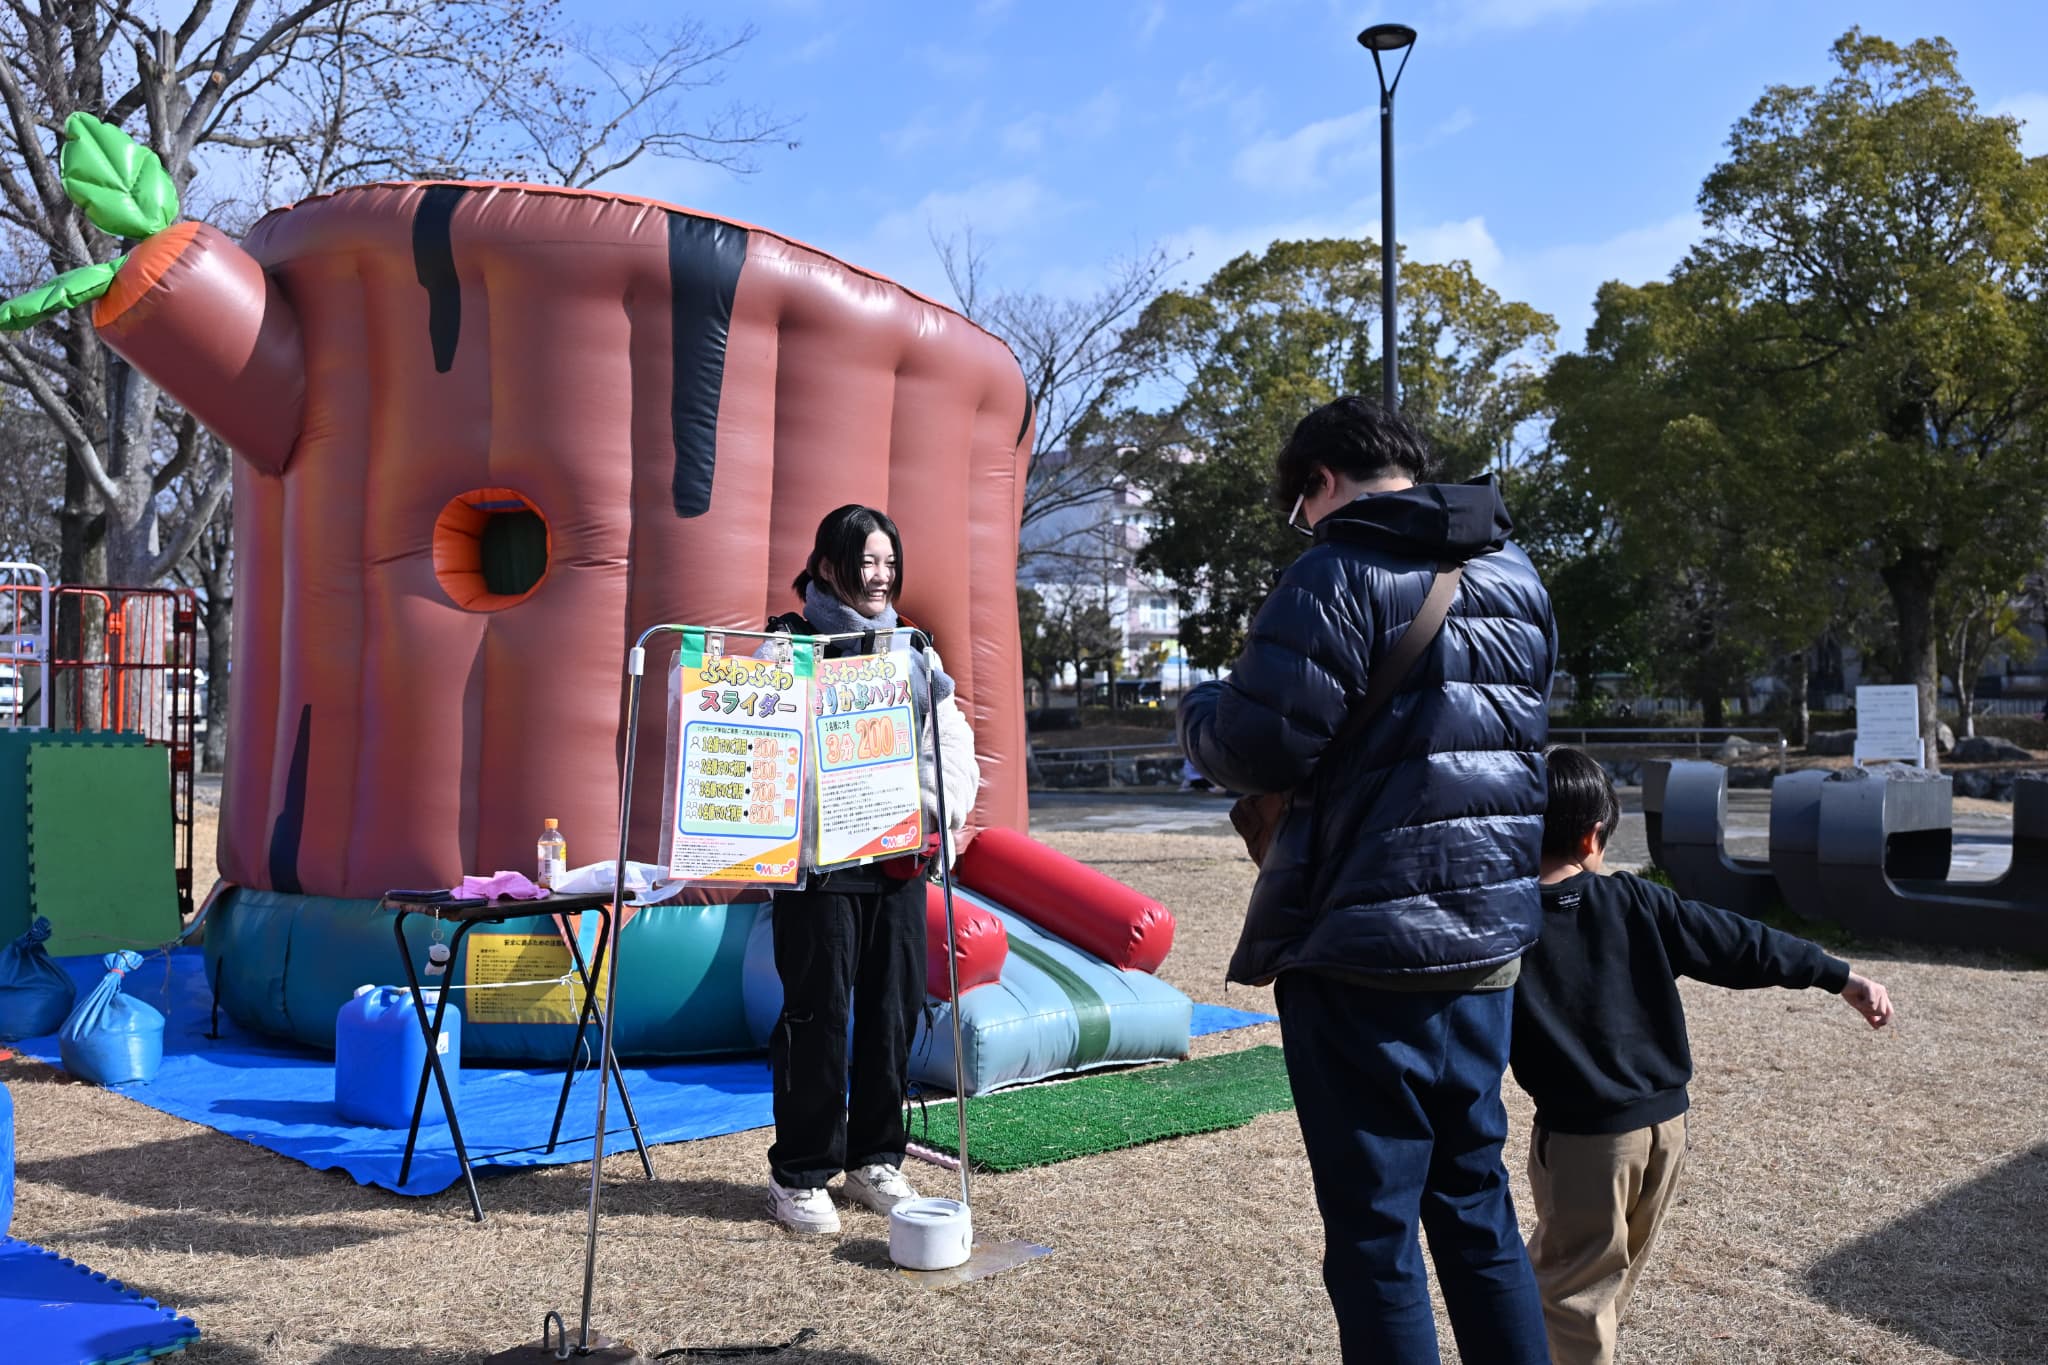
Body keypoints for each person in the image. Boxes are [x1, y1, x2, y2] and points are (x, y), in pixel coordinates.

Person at [1178, 396, 1557, 1363]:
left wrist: (1200, 711)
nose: (1301, 523)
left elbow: (1260, 743)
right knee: (1477, 1206)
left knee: (1375, 1234)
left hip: (1364, 945)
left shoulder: (1335, 572)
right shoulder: (1516, 573)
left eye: (1297, 505)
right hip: (1487, 940)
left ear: (1321, 482)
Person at [1511, 747, 1895, 1365]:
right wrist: (1836, 976)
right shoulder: (1637, 901)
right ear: (1592, 837)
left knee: (1572, 1291)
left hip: (1588, 1140)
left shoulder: (1508, 924)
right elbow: (1740, 943)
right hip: (1666, 1129)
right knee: (1606, 1277)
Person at [761, 504, 979, 1235]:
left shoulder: (915, 650)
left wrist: (928, 817)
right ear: (827, 565)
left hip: (896, 866)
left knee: (894, 1013)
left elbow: (949, 747)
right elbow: (758, 749)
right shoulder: (782, 646)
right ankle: (800, 1171)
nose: (880, 576)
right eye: (866, 561)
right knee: (815, 1014)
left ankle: (876, 1158)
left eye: (890, 562)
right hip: (819, 872)